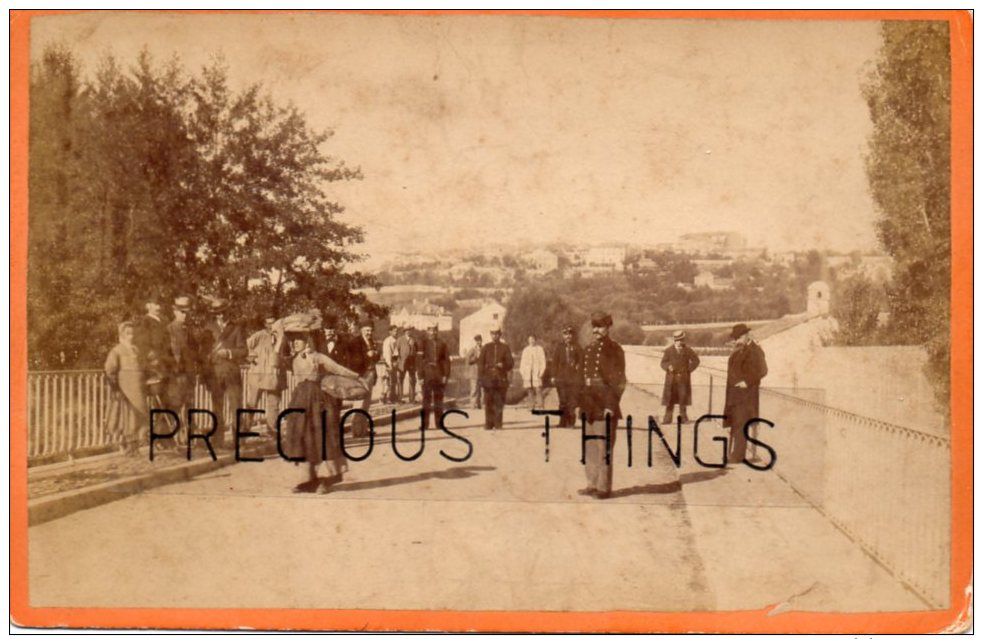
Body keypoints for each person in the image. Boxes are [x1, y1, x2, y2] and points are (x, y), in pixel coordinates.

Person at [283, 335, 364, 494]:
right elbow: (279, 358)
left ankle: (332, 476)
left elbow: (337, 369)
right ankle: (308, 479)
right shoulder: (294, 359)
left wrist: (357, 377)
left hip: (320, 400)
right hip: (301, 399)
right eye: (293, 340)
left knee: (324, 436)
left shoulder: (319, 357)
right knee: (304, 436)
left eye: (299, 340)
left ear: (308, 341)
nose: (295, 343)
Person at [579, 311, 626, 500]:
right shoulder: (589, 349)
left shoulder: (614, 350)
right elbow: (581, 379)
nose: (596, 330)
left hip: (605, 404)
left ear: (608, 328)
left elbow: (620, 381)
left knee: (603, 446)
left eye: (599, 326)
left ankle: (604, 487)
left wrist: (610, 405)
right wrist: (579, 404)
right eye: (594, 326)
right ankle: (592, 483)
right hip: (589, 405)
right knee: (590, 445)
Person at [199, 298, 247, 448]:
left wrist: (229, 353)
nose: (220, 316)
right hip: (215, 372)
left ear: (227, 311)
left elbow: (244, 351)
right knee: (216, 407)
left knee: (236, 406)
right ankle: (218, 440)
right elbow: (203, 352)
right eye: (217, 313)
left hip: (231, 372)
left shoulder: (237, 328)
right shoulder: (208, 328)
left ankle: (237, 440)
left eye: (222, 313)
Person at [723, 323, 768, 464]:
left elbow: (763, 370)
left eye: (737, 338)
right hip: (735, 395)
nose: (736, 341)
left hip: (747, 394)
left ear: (745, 336)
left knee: (741, 424)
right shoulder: (739, 349)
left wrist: (746, 382)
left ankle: (737, 456)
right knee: (736, 424)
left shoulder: (755, 350)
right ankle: (736, 453)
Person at [104, 321, 147, 455]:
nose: (131, 336)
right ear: (121, 335)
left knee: (138, 415)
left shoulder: (136, 350)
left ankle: (135, 444)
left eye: (132, 333)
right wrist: (116, 387)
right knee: (125, 417)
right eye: (128, 334)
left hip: (138, 389)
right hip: (125, 389)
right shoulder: (116, 350)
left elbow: (143, 366)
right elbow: (110, 370)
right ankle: (127, 445)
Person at [245, 316, 287, 436]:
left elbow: (287, 352)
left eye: (273, 323)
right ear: (265, 324)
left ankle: (272, 429)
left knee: (273, 403)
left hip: (275, 375)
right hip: (259, 374)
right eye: (268, 323)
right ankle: (245, 429)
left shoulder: (282, 337)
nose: (271, 326)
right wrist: (251, 357)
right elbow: (245, 346)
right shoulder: (259, 335)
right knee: (252, 403)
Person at [135, 293, 173, 403]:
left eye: (159, 305)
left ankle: (165, 419)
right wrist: (153, 360)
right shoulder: (144, 322)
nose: (158, 307)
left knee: (169, 397)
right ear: (148, 306)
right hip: (154, 367)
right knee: (158, 395)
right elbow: (143, 346)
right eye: (155, 304)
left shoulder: (164, 321)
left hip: (166, 364)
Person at [166, 295, 197, 421]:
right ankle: (169, 436)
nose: (185, 315)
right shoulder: (169, 329)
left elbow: (194, 351)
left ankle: (188, 435)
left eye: (187, 313)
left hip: (189, 374)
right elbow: (166, 352)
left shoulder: (189, 330)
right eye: (182, 312)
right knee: (174, 406)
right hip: (176, 375)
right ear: (175, 312)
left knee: (189, 405)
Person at [660, 330, 701, 424]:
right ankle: (667, 419)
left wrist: (688, 370)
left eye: (681, 340)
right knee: (670, 399)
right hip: (671, 379)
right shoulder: (669, 350)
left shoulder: (688, 350)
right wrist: (668, 367)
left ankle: (683, 418)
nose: (679, 342)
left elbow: (696, 361)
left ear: (683, 340)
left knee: (683, 399)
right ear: (674, 340)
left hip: (683, 379)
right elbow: (663, 363)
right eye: (677, 340)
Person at [346, 321, 379, 437]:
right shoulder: (355, 342)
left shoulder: (371, 341)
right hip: (361, 375)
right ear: (361, 330)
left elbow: (376, 356)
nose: (369, 333)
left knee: (366, 403)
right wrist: (367, 355)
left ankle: (363, 430)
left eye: (370, 330)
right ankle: (356, 430)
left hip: (370, 374)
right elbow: (353, 360)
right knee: (359, 403)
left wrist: (375, 353)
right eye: (367, 330)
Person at [477, 327, 513, 430]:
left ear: (500, 335)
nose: (494, 336)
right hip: (488, 379)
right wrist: (481, 379)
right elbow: (480, 364)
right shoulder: (486, 347)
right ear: (490, 335)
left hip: (500, 379)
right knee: (488, 402)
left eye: (497, 334)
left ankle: (498, 424)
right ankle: (488, 424)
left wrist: (504, 365)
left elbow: (511, 363)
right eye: (492, 334)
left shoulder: (505, 347)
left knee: (499, 402)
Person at [417, 323, 450, 429]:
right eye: (430, 330)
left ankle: (439, 424)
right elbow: (419, 361)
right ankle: (424, 424)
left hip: (439, 375)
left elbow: (446, 361)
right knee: (426, 400)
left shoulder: (443, 344)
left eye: (435, 330)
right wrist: (420, 376)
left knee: (439, 400)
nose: (432, 332)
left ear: (437, 331)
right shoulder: (423, 343)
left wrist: (445, 375)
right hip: (427, 375)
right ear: (427, 331)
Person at [550, 326, 583, 428]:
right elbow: (554, 363)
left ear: (572, 336)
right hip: (561, 378)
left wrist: (578, 366)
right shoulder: (559, 348)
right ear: (563, 336)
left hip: (573, 379)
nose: (568, 336)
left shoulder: (577, 347)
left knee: (572, 401)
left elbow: (582, 361)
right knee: (562, 400)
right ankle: (562, 422)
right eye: (565, 334)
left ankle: (571, 422)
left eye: (570, 334)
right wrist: (553, 376)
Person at [519, 335, 547, 410]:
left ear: (535, 340)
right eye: (530, 339)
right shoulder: (525, 350)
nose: (531, 341)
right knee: (529, 389)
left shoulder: (539, 349)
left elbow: (543, 362)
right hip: (528, 372)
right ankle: (531, 406)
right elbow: (522, 363)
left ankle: (540, 405)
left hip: (536, 372)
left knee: (538, 389)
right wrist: (523, 373)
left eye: (533, 339)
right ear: (528, 340)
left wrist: (541, 373)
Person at [395, 327, 418, 403]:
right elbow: (396, 351)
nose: (408, 332)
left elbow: (416, 350)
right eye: (407, 330)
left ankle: (412, 398)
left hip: (411, 363)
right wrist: (396, 362)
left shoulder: (414, 340)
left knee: (412, 380)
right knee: (400, 380)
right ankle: (400, 399)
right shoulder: (400, 339)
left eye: (410, 330)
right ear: (404, 331)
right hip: (402, 363)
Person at [463, 334, 483, 409]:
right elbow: (467, 359)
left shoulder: (484, 349)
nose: (479, 342)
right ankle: (473, 405)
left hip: (482, 373)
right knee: (474, 389)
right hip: (474, 373)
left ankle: (480, 404)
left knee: (481, 389)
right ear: (475, 341)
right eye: (477, 340)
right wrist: (475, 358)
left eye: (480, 340)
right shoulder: (472, 350)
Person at [381, 325, 400, 403]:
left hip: (394, 362)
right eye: (394, 331)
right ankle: (384, 398)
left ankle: (392, 397)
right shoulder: (388, 341)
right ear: (390, 332)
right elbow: (387, 353)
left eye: (397, 331)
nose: (396, 332)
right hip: (388, 363)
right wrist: (389, 365)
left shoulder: (395, 340)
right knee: (387, 381)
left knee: (393, 381)